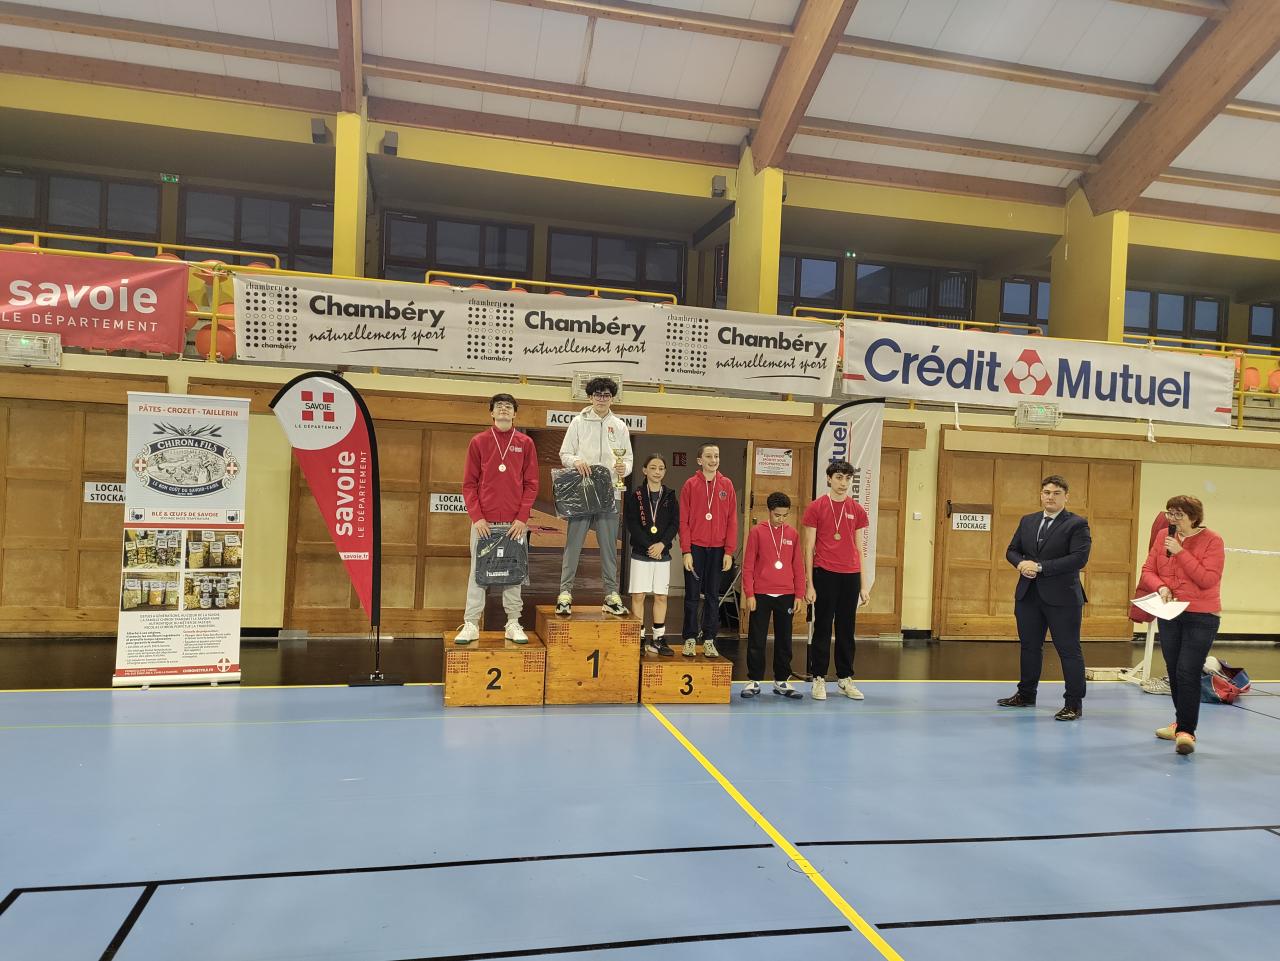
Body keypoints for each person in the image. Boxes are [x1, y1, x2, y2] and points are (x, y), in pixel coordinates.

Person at [1138, 495, 1225, 756]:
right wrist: (1161, 587)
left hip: (1201, 615)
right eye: (1170, 513)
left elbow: (1207, 579)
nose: (1173, 519)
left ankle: (1187, 732)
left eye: (1179, 515)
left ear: (1194, 517)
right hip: (1170, 613)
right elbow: (1148, 570)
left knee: (1188, 670)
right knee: (1174, 670)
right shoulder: (1163, 535)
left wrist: (1181, 552)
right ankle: (1180, 722)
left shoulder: (1213, 540)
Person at [999, 474, 1091, 720]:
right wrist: (1021, 564)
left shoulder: (1077, 524)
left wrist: (1040, 567)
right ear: (1041, 495)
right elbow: (1012, 550)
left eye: (1056, 493)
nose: (1051, 497)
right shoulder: (1028, 521)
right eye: (1047, 492)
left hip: (1063, 598)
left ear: (1066, 497)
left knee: (1069, 650)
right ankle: (1026, 694)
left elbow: (1079, 558)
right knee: (1029, 647)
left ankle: (1073, 704)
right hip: (1028, 594)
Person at [457, 393, 539, 644]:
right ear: (491, 412)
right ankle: (471, 623)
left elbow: (531, 484)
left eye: (509, 406)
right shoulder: (479, 441)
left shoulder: (525, 443)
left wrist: (522, 518)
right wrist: (477, 517)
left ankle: (513, 622)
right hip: (484, 523)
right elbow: (469, 485)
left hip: (514, 524)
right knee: (478, 572)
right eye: (499, 406)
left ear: (515, 413)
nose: (504, 409)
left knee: (513, 572)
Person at [557, 377, 632, 617]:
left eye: (606, 395)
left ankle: (611, 594)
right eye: (598, 394)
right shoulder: (578, 422)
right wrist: (576, 461)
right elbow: (564, 453)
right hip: (583, 490)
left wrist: (624, 469)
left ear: (612, 398)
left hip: (610, 491)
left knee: (609, 546)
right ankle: (565, 593)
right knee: (574, 544)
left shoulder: (620, 426)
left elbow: (628, 459)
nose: (602, 399)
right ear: (590, 397)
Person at [802, 460, 870, 701]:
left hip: (850, 575)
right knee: (822, 627)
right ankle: (819, 677)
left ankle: (845, 678)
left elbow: (860, 549)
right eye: (839, 477)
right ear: (829, 479)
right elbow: (808, 548)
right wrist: (809, 584)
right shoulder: (816, 507)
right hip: (825, 573)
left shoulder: (857, 509)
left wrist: (863, 585)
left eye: (848, 478)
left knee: (846, 629)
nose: (844, 483)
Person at [741, 492, 805, 699]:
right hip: (761, 594)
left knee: (784, 639)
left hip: (786, 594)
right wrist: (749, 593)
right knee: (757, 638)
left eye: (785, 515)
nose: (781, 519)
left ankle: (782, 681)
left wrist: (799, 595)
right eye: (777, 515)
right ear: (769, 511)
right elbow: (748, 565)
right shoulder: (757, 532)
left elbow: (798, 566)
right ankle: (754, 680)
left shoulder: (793, 534)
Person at [679, 443, 738, 658]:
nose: (713, 460)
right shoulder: (690, 485)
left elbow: (732, 520)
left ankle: (710, 639)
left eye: (716, 456)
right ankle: (689, 638)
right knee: (692, 595)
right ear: (700, 460)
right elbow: (683, 521)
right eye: (709, 456)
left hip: (718, 549)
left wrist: (729, 551)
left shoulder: (727, 485)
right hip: (696, 547)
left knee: (713, 595)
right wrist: (686, 550)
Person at [624, 454, 679, 656]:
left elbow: (674, 524)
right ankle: (638, 638)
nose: (657, 472)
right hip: (641, 553)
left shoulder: (670, 495)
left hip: (662, 554)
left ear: (665, 472)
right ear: (644, 470)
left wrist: (662, 545)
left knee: (661, 597)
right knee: (638, 596)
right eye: (653, 467)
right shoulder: (636, 495)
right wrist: (650, 546)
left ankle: (658, 639)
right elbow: (632, 524)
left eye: (661, 468)